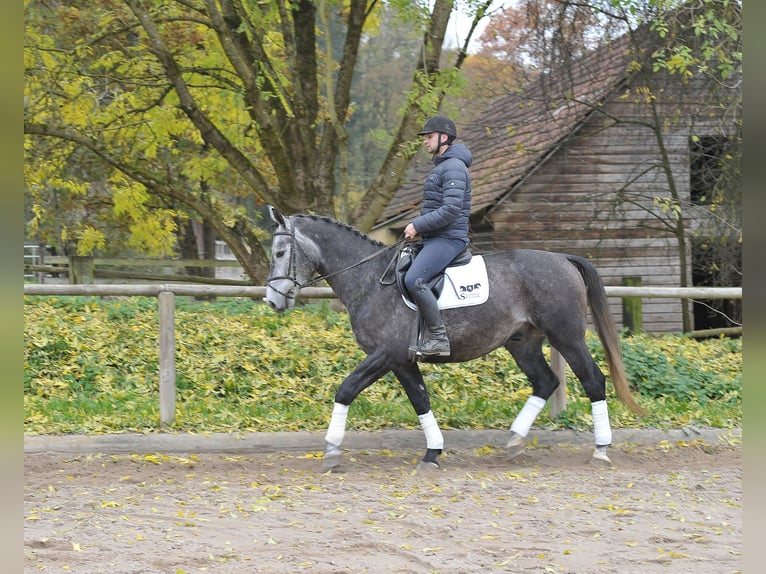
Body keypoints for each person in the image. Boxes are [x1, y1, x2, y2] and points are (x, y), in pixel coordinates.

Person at [403, 115, 473, 357]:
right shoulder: (443, 166)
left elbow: (451, 209)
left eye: (429, 137)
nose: (425, 141)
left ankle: (438, 339)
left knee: (415, 280)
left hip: (449, 239)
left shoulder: (453, 167)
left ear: (444, 138)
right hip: (435, 238)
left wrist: (418, 225)